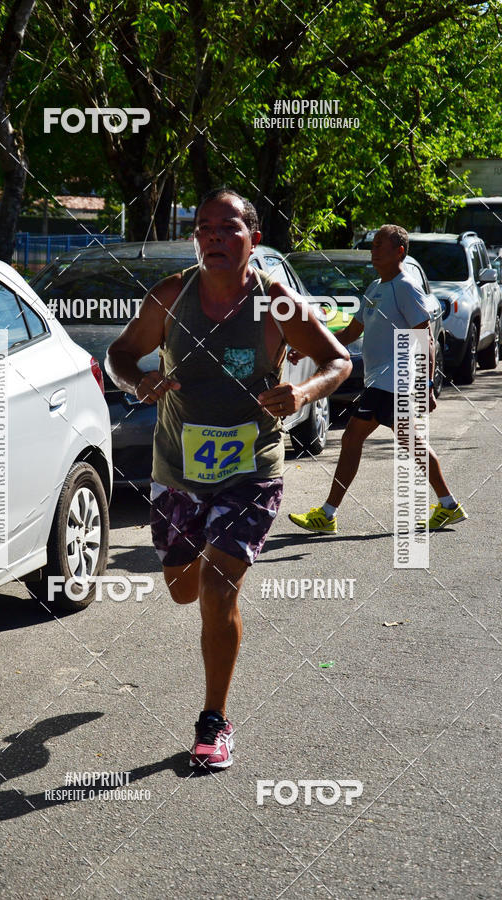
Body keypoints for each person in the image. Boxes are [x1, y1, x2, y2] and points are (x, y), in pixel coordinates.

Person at [106, 188, 351, 769]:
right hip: (177, 469)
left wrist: (302, 391)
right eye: (205, 227)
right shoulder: (171, 297)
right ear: (197, 239)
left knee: (218, 587)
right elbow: (119, 355)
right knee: (181, 588)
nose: (215, 235)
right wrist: (138, 382)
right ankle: (193, 580)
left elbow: (338, 361)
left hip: (252, 469)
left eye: (229, 226)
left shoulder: (278, 305)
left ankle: (213, 721)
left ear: (253, 239)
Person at [289, 223, 467, 535]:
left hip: (392, 381)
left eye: (380, 245)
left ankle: (328, 514)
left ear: (399, 251)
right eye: (373, 245)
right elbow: (349, 333)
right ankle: (449, 505)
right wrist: (309, 348)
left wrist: (426, 384)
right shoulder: (376, 287)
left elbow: (424, 335)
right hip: (379, 381)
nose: (374, 250)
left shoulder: (405, 287)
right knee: (410, 443)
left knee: (353, 439)